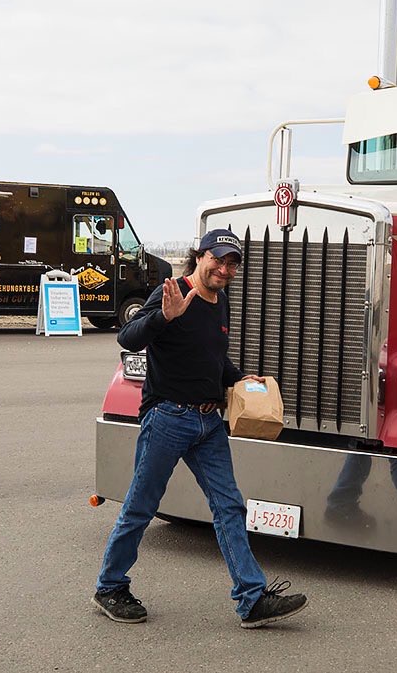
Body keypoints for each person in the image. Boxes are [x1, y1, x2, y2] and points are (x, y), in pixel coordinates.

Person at [93, 228, 308, 629]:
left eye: (232, 264)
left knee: (229, 507)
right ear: (200, 256)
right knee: (140, 507)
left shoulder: (220, 301)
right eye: (218, 260)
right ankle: (109, 587)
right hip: (168, 418)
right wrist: (164, 316)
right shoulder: (173, 292)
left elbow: (213, 358)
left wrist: (240, 379)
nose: (224, 269)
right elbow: (128, 337)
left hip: (209, 423)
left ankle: (251, 598)